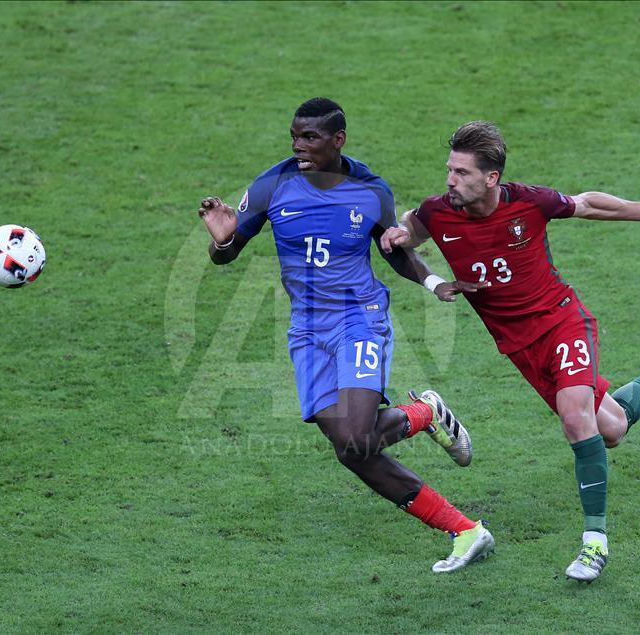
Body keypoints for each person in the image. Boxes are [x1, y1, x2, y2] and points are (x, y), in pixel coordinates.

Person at [380, 120, 640, 582]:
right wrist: (407, 251)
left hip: (562, 320)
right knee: (610, 429)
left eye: (461, 172)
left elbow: (587, 204)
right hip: (519, 346)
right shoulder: (437, 213)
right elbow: (404, 238)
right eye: (449, 170)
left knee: (576, 419)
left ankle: (594, 542)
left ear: (491, 178)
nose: (450, 180)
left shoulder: (528, 201)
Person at [197, 99, 494, 573]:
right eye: (295, 136)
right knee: (353, 452)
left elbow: (392, 249)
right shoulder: (272, 185)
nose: (299, 146)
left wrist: (434, 282)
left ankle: (426, 421)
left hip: (358, 319)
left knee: (357, 437)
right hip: (306, 331)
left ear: (338, 141)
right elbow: (226, 254)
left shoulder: (370, 189)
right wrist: (223, 240)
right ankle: (464, 525)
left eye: (310, 138)